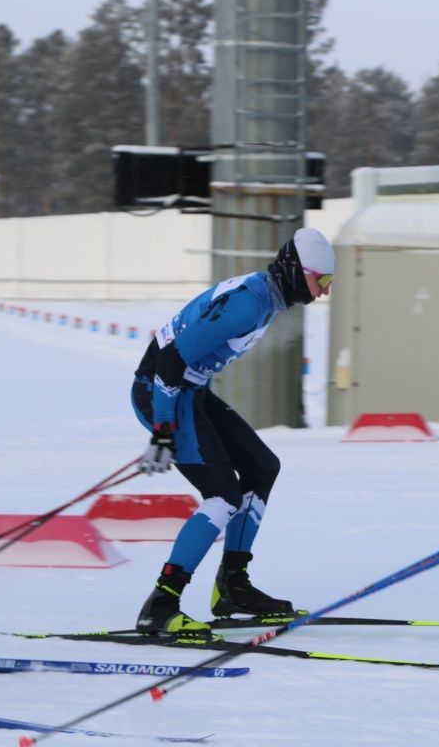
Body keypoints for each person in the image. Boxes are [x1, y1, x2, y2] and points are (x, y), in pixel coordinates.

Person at [131, 227, 335, 635]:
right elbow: (169, 360)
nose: (323, 292)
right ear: (297, 271)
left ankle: (233, 588)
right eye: (322, 281)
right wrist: (164, 429)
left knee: (262, 467)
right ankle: (160, 604)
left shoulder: (265, 297)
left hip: (189, 392)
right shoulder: (249, 304)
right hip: (160, 391)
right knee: (222, 496)